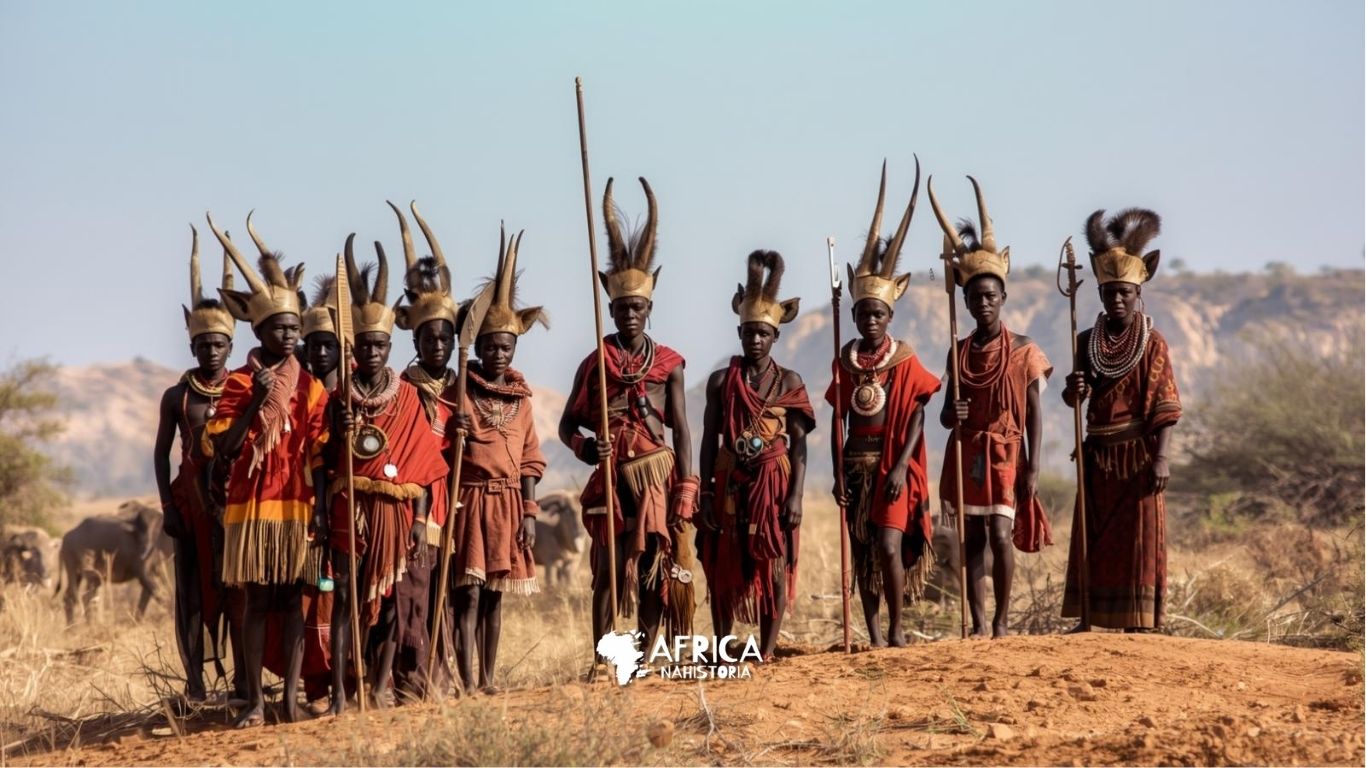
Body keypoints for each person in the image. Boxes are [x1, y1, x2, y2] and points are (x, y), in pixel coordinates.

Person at [559, 177, 698, 673]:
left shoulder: (671, 363)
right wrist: (585, 448)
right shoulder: (596, 362)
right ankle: (602, 659)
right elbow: (567, 426)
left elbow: (681, 429)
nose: (629, 315)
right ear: (611, 308)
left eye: (637, 307)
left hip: (657, 477)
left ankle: (641, 654)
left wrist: (687, 484)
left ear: (650, 307)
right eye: (621, 308)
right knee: (607, 572)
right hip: (612, 477)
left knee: (653, 570)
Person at [201, 212, 327, 727]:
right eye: (281, 327)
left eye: (296, 326)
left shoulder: (312, 387)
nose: (291, 335)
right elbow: (225, 448)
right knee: (254, 603)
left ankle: (291, 700)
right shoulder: (234, 383)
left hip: (297, 506)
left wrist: (320, 513)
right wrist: (255, 403)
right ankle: (254, 701)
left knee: (294, 605)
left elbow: (318, 452)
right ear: (260, 329)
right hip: (251, 508)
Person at [322, 235, 447, 713]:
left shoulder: (408, 397)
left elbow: (423, 464)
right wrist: (341, 425)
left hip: (397, 511)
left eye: (379, 345)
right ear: (354, 347)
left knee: (393, 599)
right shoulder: (340, 399)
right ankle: (339, 693)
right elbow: (325, 456)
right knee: (347, 600)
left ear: (389, 346)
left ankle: (378, 687)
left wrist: (419, 520)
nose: (372, 353)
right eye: (365, 346)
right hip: (350, 509)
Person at [927, 176, 1053, 639]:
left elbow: (1035, 411)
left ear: (1003, 297)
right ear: (964, 300)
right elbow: (943, 415)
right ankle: (978, 624)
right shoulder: (957, 353)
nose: (983, 303)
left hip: (1005, 455)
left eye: (990, 296)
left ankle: (1002, 622)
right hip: (965, 454)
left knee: (1001, 536)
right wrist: (953, 413)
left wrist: (1033, 466)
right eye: (975, 297)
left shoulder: (1023, 350)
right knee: (972, 542)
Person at [826, 161, 941, 648]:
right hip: (855, 466)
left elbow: (917, 411)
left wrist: (899, 467)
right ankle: (871, 634)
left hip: (891, 467)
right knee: (863, 550)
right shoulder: (846, 361)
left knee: (890, 546)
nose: (870, 320)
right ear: (852, 314)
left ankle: (896, 630)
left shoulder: (904, 358)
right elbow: (838, 419)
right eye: (862, 313)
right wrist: (837, 473)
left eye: (877, 313)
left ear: (890, 313)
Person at [1061, 208, 1181, 632]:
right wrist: (1074, 390)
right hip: (1099, 457)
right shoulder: (1085, 340)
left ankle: (1140, 621)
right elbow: (1076, 398)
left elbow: (1165, 405)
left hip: (1137, 457)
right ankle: (1089, 618)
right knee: (1094, 538)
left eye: (1123, 293)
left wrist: (1162, 458)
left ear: (1138, 292)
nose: (1116, 300)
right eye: (1109, 292)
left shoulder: (1153, 342)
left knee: (1138, 539)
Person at [697, 250, 814, 661]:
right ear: (739, 332)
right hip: (729, 480)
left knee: (773, 560)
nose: (755, 340)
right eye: (748, 333)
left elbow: (799, 445)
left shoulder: (790, 381)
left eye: (763, 333)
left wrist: (796, 496)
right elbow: (709, 439)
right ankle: (725, 647)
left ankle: (765, 650)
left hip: (773, 484)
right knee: (723, 563)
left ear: (776, 336)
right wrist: (706, 494)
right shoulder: (720, 382)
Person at [448, 224, 547, 693]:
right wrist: (455, 430)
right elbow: (440, 451)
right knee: (465, 595)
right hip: (468, 503)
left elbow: (529, 460)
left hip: (508, 505)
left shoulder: (522, 400)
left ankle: (488, 679)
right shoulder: (458, 391)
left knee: (494, 597)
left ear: (514, 349)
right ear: (477, 347)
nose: (496, 354)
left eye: (504, 347)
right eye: (488, 346)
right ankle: (465, 680)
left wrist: (529, 512)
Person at [153, 224, 236, 703]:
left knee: (237, 589)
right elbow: (161, 453)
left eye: (217, 344)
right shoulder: (177, 396)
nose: (209, 351)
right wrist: (167, 506)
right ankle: (196, 683)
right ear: (191, 347)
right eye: (202, 345)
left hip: (234, 502)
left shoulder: (244, 387)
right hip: (190, 505)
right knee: (189, 592)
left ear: (230, 345)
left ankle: (241, 678)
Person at [391, 200, 460, 698]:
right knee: (411, 595)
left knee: (446, 599)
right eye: (429, 338)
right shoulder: (402, 390)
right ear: (414, 339)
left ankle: (445, 679)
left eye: (446, 338)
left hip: (454, 510)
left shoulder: (463, 393)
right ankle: (409, 681)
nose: (438, 347)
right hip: (416, 510)